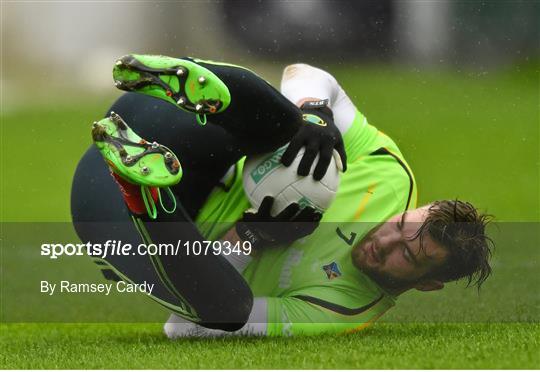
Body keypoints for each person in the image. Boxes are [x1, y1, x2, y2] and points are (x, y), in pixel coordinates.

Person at [70, 55, 493, 337]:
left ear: (429, 285)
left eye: (409, 255)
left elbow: (184, 327)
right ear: (416, 207)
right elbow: (309, 73)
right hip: (178, 125)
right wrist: (315, 111)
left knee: (226, 308)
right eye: (401, 226)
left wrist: (253, 235)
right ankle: (190, 77)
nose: (384, 242)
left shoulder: (340, 310)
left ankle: (142, 187)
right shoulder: (390, 176)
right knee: (299, 123)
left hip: (111, 203)